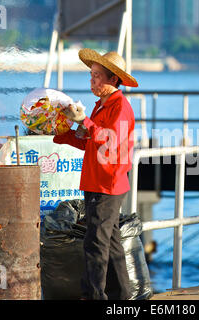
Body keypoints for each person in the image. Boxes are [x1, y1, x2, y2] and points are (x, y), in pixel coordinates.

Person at [53, 49, 138, 300]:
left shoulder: (120, 107)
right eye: (91, 75)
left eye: (98, 75)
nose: (92, 80)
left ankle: (93, 296)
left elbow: (109, 140)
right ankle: (121, 296)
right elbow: (90, 141)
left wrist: (85, 122)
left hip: (107, 183)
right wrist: (61, 133)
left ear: (113, 80)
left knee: (95, 243)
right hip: (98, 181)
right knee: (110, 244)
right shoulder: (102, 106)